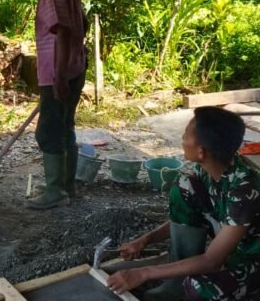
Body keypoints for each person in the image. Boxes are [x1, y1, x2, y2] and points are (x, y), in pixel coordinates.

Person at [107, 107, 260, 300]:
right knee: (184, 186)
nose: (182, 138)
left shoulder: (244, 191)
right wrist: (145, 240)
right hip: (226, 244)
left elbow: (212, 261)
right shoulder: (210, 168)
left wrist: (144, 273)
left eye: (187, 134)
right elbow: (186, 216)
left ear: (201, 152)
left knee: (199, 289)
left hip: (250, 260)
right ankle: (176, 279)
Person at [17, 0, 88, 209]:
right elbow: (82, 23)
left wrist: (59, 77)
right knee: (64, 127)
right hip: (73, 68)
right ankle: (66, 186)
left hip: (60, 73)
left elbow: (63, 33)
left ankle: (56, 191)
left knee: (49, 131)